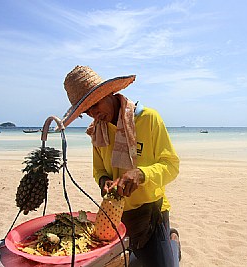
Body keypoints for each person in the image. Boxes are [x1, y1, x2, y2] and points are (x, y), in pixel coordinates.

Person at [59, 65, 181, 267]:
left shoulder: (148, 119)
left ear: (109, 93)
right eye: (87, 110)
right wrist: (104, 182)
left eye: (95, 105)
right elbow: (98, 170)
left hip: (151, 211)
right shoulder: (98, 131)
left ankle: (172, 241)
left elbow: (171, 165)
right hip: (115, 213)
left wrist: (141, 175)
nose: (94, 114)